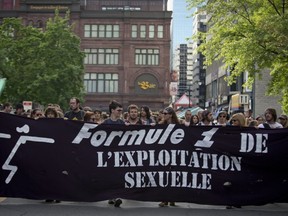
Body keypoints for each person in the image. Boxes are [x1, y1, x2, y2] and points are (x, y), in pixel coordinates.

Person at [102, 100, 124, 207]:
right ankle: (111, 196)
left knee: (118, 175)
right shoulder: (105, 123)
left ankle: (116, 196)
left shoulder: (122, 123)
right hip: (108, 153)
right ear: (112, 110)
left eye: (121, 110)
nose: (120, 112)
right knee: (109, 175)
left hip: (119, 153)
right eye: (118, 110)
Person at [158, 106, 179, 207]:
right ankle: (164, 199)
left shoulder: (178, 126)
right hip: (163, 154)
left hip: (175, 154)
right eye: (163, 113)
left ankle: (173, 198)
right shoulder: (161, 125)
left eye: (165, 114)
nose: (163, 115)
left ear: (171, 115)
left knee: (173, 176)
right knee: (164, 176)